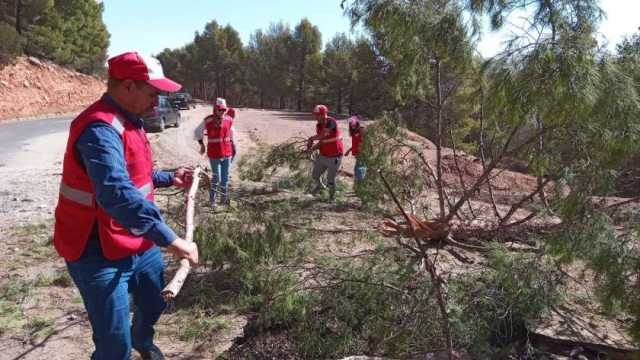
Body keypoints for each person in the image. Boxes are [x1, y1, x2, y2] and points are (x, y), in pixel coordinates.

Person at [53, 51, 199, 360]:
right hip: (96, 251)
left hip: (137, 241)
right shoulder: (99, 129)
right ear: (128, 87)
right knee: (113, 347)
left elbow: (137, 175)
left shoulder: (132, 121)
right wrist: (173, 241)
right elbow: (116, 193)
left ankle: (142, 341)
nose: (157, 101)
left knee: (153, 303)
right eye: (153, 92)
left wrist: (168, 178)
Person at [197, 98, 234, 208]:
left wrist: (233, 147)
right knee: (216, 178)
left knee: (225, 178)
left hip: (227, 154)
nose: (222, 112)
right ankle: (212, 201)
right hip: (214, 155)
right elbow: (197, 131)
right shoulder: (208, 120)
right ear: (215, 109)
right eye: (219, 110)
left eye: (223, 110)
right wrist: (202, 144)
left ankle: (224, 200)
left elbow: (232, 134)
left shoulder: (229, 119)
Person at [306, 104, 344, 201]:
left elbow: (322, 135)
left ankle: (332, 198)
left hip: (335, 156)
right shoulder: (318, 125)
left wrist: (311, 139)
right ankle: (321, 187)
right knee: (315, 175)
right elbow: (321, 141)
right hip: (323, 155)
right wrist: (311, 149)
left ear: (323, 114)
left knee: (330, 179)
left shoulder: (331, 122)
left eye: (317, 115)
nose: (315, 117)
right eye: (315, 114)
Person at [344, 115, 367, 184]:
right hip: (357, 154)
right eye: (351, 124)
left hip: (361, 154)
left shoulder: (361, 130)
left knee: (359, 170)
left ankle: (361, 184)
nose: (352, 125)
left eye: (353, 123)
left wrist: (361, 151)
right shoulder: (354, 132)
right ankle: (360, 184)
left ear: (357, 123)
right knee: (359, 169)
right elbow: (355, 144)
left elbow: (364, 142)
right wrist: (348, 150)